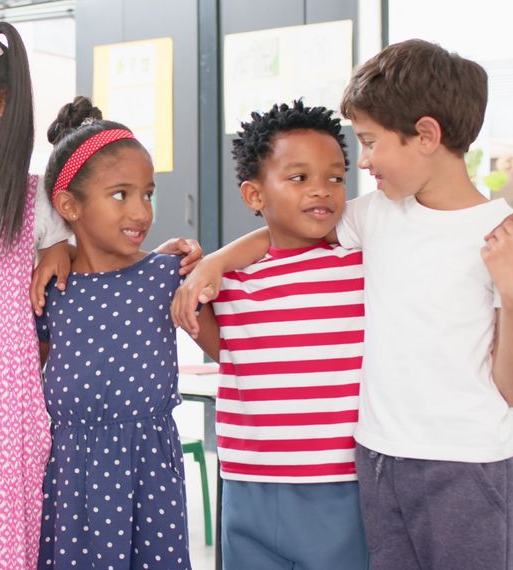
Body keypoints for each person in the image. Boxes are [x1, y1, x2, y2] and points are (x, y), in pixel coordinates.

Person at [176, 41, 513, 570]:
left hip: (469, 467)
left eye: (369, 142)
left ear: (426, 136)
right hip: (377, 462)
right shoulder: (375, 215)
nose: (362, 160)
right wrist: (216, 263)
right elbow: (286, 232)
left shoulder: (505, 237)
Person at [179, 100, 367, 569]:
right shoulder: (230, 285)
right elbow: (228, 352)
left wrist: (216, 259)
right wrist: (208, 266)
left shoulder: (362, 262)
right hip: (247, 483)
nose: (322, 190)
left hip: (339, 485)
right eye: (299, 177)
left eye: (336, 177)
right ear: (254, 195)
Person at [34, 96, 194, 569]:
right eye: (121, 195)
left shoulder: (169, 275)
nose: (141, 212)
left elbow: (229, 348)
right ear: (69, 205)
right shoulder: (50, 288)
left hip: (151, 479)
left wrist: (214, 265)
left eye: (147, 193)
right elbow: (33, 369)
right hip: (67, 480)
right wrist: (54, 247)